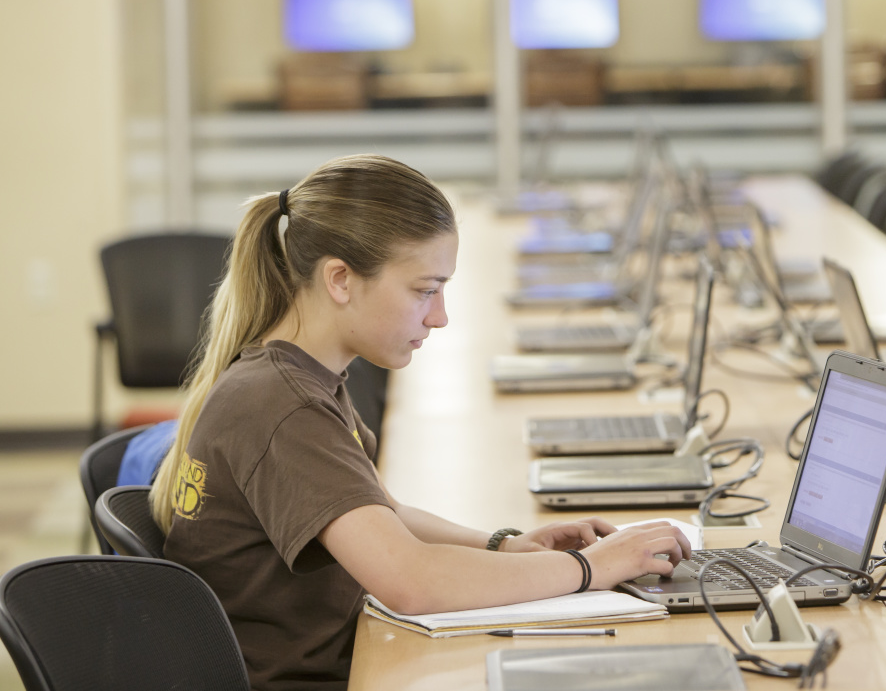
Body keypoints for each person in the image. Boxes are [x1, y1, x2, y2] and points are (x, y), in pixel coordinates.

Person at [148, 154, 690, 691]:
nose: (440, 315)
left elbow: (382, 513)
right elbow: (411, 581)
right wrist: (591, 568)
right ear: (340, 279)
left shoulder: (296, 376)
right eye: (424, 290)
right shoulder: (284, 407)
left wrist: (502, 545)